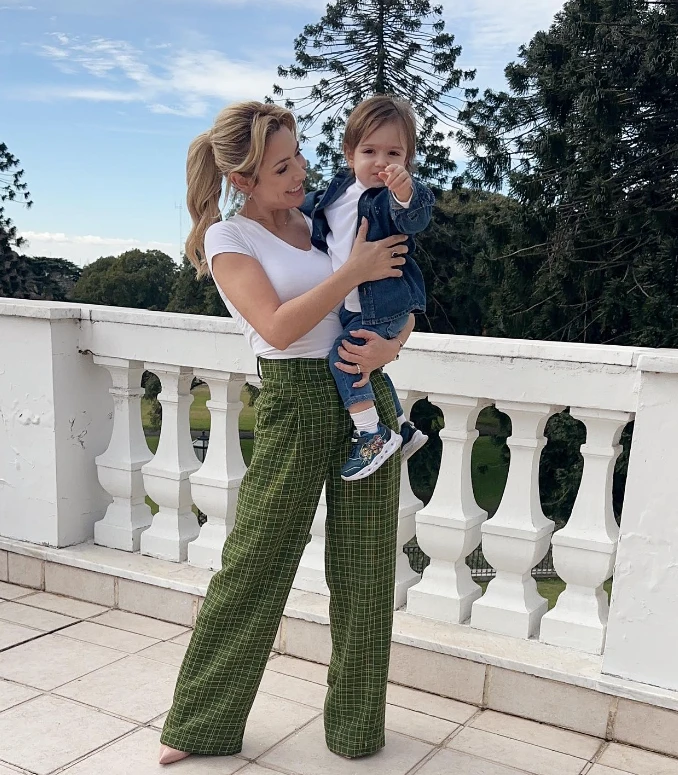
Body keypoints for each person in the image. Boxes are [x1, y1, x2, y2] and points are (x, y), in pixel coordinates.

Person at [158, 100, 414, 765]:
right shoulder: (229, 239)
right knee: (256, 562)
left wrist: (391, 348)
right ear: (242, 180)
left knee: (364, 570)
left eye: (299, 155)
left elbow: (402, 286)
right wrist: (348, 272)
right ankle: (198, 724)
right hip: (296, 402)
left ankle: (356, 730)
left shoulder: (322, 218)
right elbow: (276, 327)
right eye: (281, 166)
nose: (301, 171)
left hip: (366, 393)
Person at [301, 96, 434, 482]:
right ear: (349, 153)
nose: (381, 162)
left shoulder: (387, 198)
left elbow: (412, 216)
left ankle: (372, 434)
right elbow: (310, 208)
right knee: (368, 367)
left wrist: (406, 192)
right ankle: (403, 429)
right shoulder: (338, 190)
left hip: (383, 304)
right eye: (369, 150)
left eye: (393, 153)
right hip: (353, 305)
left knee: (342, 360)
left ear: (407, 159)